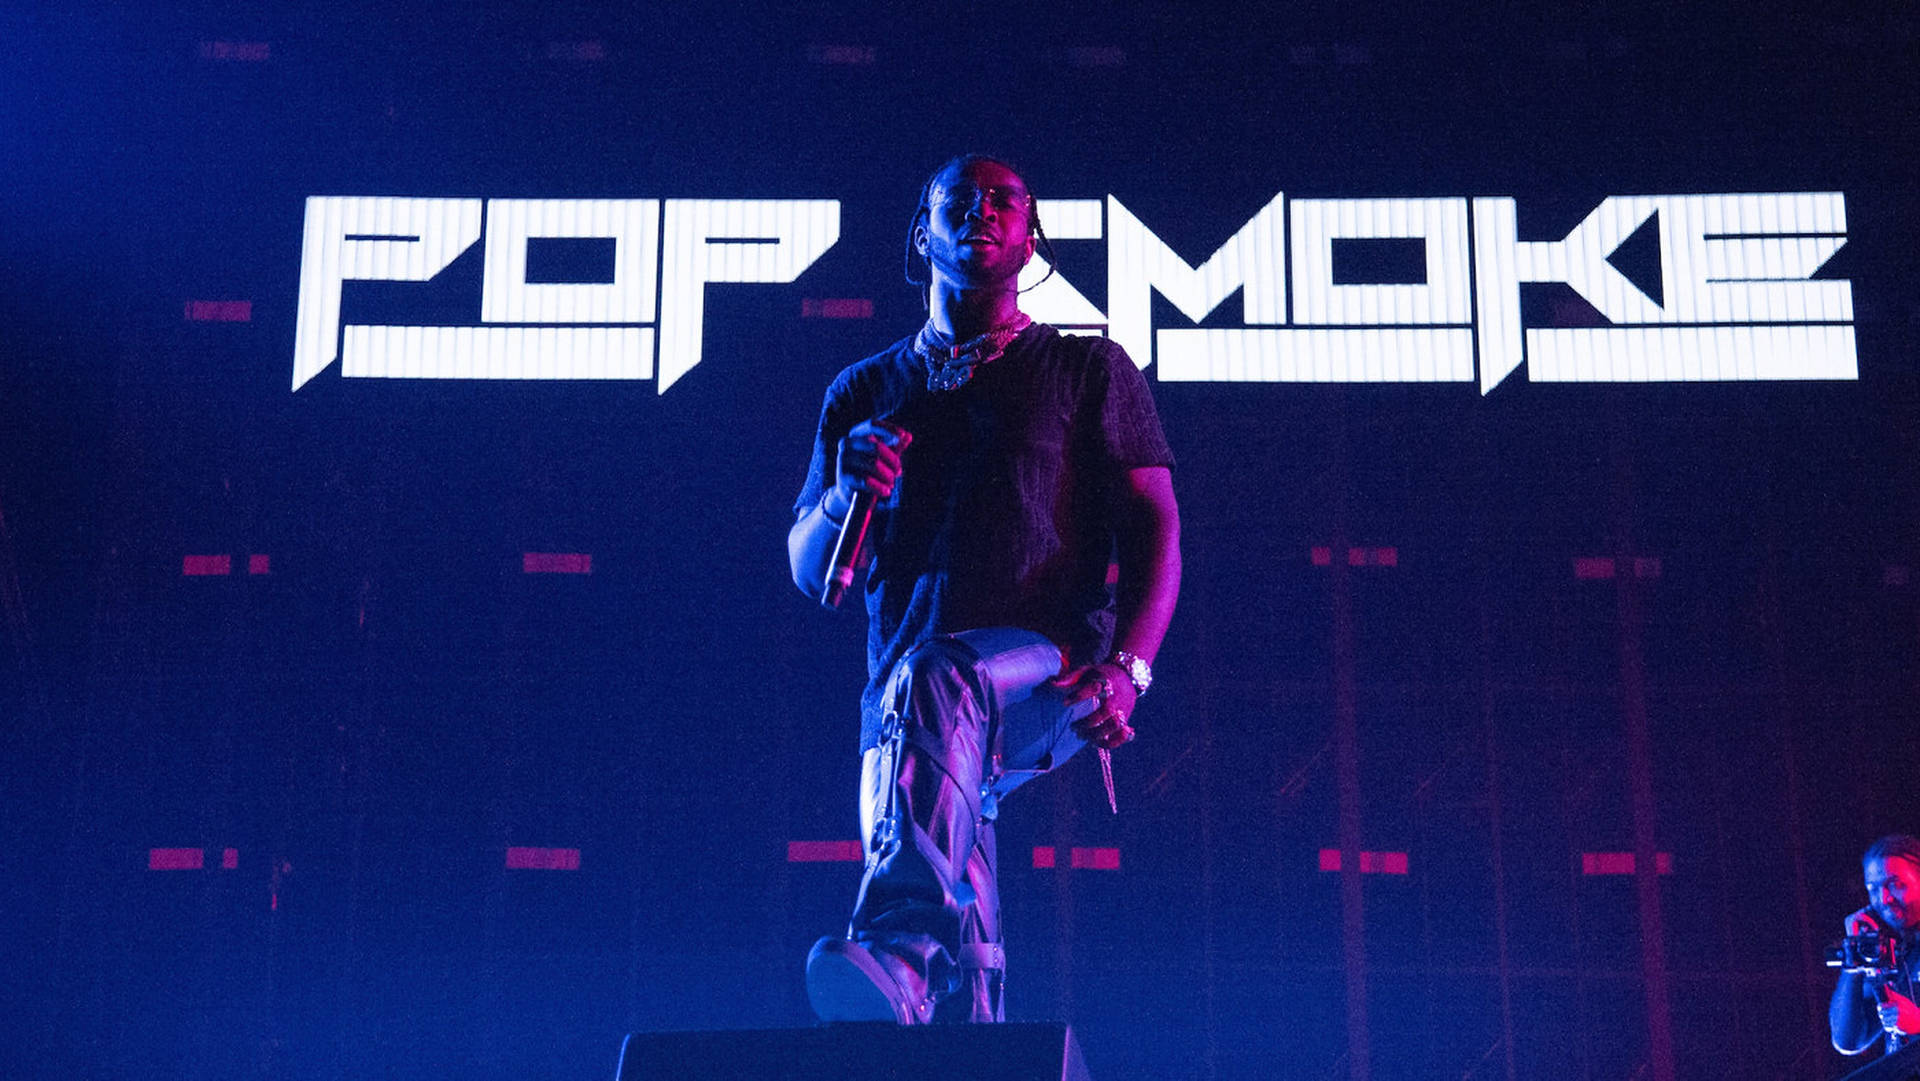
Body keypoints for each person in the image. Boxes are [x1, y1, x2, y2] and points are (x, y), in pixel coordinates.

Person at [787, 154, 1181, 1024]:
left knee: (940, 686)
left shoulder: (1087, 369)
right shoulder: (862, 390)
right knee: (952, 957)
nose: (983, 211)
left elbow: (1158, 525)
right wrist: (846, 495)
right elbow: (813, 572)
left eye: (1005, 200)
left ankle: (898, 943)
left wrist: (1132, 669)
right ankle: (961, 1012)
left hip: (1045, 667)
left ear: (1030, 238)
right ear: (921, 233)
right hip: (901, 696)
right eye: (958, 202)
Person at [1831, 835, 1920, 1055]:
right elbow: (1848, 1041)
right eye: (1873, 889)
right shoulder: (1894, 952)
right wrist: (1855, 958)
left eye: (1896, 884)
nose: (1884, 899)